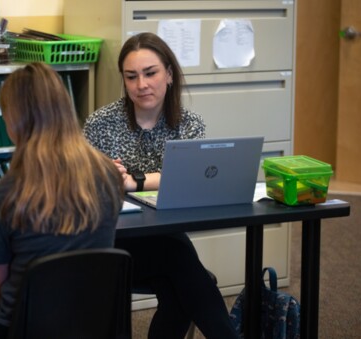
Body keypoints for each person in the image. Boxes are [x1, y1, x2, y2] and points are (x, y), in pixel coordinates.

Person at [83, 32, 238, 339]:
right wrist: (104, 177)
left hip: (164, 238)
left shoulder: (189, 123)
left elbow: (189, 177)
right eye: (131, 77)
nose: (141, 85)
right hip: (111, 242)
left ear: (168, 73)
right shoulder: (100, 123)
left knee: (178, 281)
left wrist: (131, 181)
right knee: (183, 267)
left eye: (150, 73)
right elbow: (83, 184)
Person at [0, 62, 124, 338]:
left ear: (16, 120)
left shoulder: (7, 193)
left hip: (24, 328)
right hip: (92, 324)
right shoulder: (108, 176)